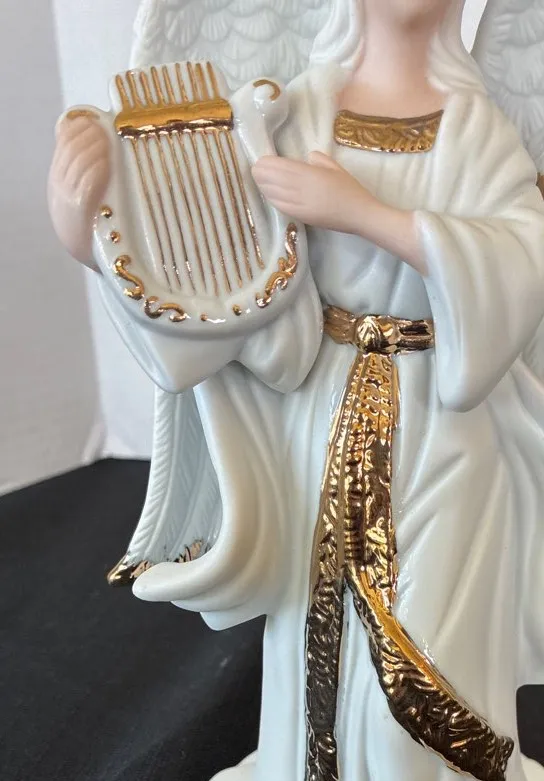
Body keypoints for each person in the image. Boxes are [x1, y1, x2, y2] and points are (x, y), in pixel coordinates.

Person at [48, 2, 544, 780]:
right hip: (322, 410)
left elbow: (520, 262)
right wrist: (89, 234)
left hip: (448, 434)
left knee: (421, 667)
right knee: (321, 633)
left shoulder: (475, 127)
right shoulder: (296, 109)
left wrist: (364, 214)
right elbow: (236, 291)